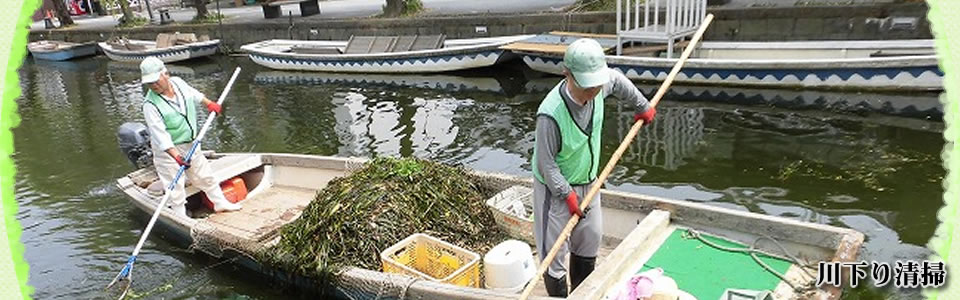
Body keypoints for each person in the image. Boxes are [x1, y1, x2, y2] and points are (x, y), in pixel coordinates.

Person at [530, 38, 656, 296]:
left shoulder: (601, 84)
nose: (594, 92)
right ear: (568, 76)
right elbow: (546, 164)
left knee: (589, 241)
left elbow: (618, 81)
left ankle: (582, 294)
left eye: (597, 85)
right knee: (554, 255)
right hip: (555, 191)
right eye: (587, 86)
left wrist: (643, 106)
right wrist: (567, 195)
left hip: (590, 182)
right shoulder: (550, 114)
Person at [140, 56, 242, 218]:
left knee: (205, 175)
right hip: (167, 151)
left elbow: (194, 94)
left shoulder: (179, 83)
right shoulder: (150, 105)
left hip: (190, 143)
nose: (153, 86)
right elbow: (160, 135)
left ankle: (220, 203)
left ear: (165, 74)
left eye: (156, 80)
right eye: (149, 83)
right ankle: (180, 216)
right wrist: (176, 156)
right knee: (175, 186)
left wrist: (209, 103)